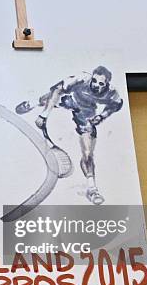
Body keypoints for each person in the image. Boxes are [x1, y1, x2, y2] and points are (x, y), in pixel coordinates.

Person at [19, 66, 122, 204]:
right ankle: (33, 103)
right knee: (50, 98)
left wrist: (102, 116)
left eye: (101, 83)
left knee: (87, 153)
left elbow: (116, 105)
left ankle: (92, 189)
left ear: (107, 84)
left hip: (86, 113)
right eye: (95, 81)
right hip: (70, 99)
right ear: (91, 77)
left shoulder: (112, 93)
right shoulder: (80, 79)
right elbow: (57, 90)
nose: (97, 85)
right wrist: (44, 115)